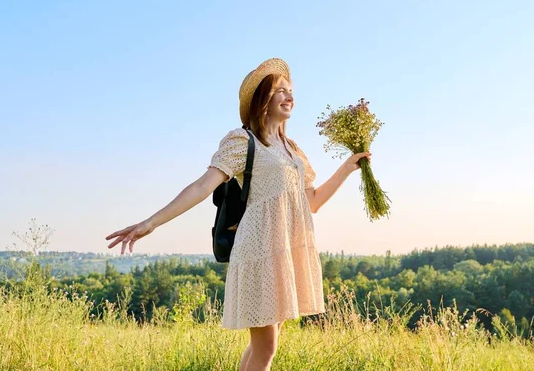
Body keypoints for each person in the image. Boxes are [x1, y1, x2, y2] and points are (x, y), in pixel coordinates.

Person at [105, 58, 371, 371]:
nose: (289, 96)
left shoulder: (292, 149)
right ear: (262, 99)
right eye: (280, 91)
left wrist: (346, 168)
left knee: (263, 347)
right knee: (266, 348)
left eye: (291, 90)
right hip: (259, 251)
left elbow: (311, 202)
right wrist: (150, 223)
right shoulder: (243, 141)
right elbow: (202, 186)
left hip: (287, 252)